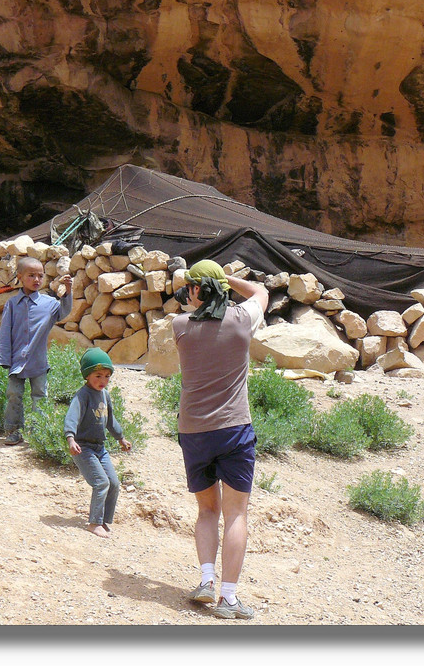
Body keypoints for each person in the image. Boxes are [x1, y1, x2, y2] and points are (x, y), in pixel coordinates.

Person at [172, 259, 269, 619]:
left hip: (194, 431)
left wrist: (203, 284)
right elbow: (261, 292)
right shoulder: (243, 321)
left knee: (207, 510)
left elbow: (192, 308)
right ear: (222, 290)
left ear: (195, 290)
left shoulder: (179, 326)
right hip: (234, 429)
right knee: (236, 513)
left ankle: (206, 581)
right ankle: (229, 598)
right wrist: (226, 279)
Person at [0, 256, 73, 445]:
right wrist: (3, 358)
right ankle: (13, 431)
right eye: (31, 275)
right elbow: (4, 332)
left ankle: (38, 433)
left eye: (40, 276)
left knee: (40, 396)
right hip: (16, 362)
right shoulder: (12, 304)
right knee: (14, 395)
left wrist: (68, 290)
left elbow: (64, 312)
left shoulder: (49, 304)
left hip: (38, 362)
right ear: (20, 276)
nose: (37, 280)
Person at [64, 348, 132, 538]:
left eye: (107, 376)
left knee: (114, 483)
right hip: (83, 448)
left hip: (100, 448)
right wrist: (70, 438)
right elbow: (71, 418)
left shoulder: (105, 395)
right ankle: (94, 523)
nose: (103, 380)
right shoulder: (82, 396)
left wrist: (121, 438)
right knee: (101, 482)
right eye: (98, 375)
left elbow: (110, 420)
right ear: (87, 375)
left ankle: (103, 520)